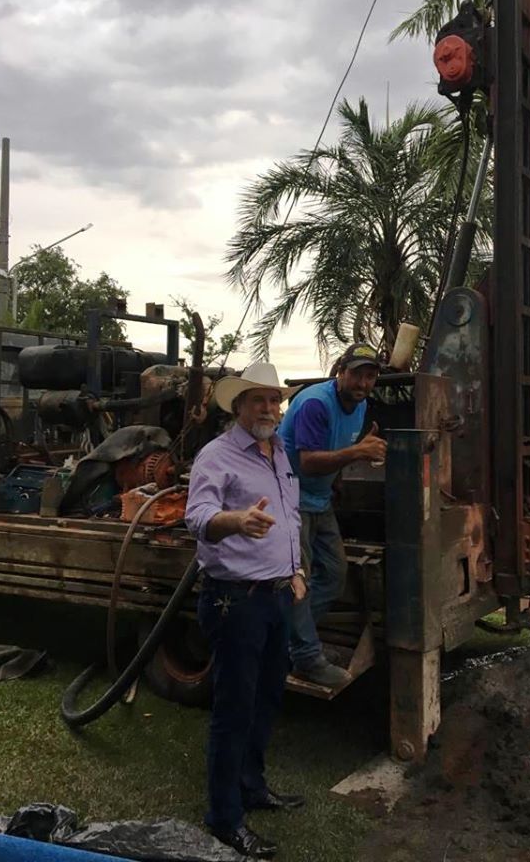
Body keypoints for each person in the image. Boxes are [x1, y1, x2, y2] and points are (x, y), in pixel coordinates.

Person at [185, 362, 307, 860]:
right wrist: (234, 520)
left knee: (266, 700)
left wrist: (295, 569)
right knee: (234, 710)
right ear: (238, 407)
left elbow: (290, 517)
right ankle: (224, 817)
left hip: (277, 595)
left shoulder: (278, 453)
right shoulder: (217, 456)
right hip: (234, 601)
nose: (269, 409)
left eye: (274, 401)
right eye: (258, 400)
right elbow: (197, 517)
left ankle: (252, 786)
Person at [278, 342, 387, 687]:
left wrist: (337, 478)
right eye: (357, 374)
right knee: (298, 581)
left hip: (319, 498)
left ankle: (288, 636)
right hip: (291, 498)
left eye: (370, 377)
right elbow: (308, 460)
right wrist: (358, 452)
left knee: (335, 573)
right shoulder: (315, 403)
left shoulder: (359, 405)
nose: (363, 383)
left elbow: (335, 447)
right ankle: (307, 658)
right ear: (340, 371)